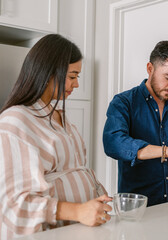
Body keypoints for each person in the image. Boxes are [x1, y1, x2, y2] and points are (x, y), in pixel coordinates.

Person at [0, 34, 112, 240]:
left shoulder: (60, 116)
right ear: (48, 72)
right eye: (72, 76)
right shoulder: (15, 121)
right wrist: (78, 211)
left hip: (76, 231)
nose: (76, 84)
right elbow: (14, 204)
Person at [103, 40, 168, 207]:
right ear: (150, 68)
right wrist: (166, 152)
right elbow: (113, 143)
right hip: (137, 209)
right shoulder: (124, 102)